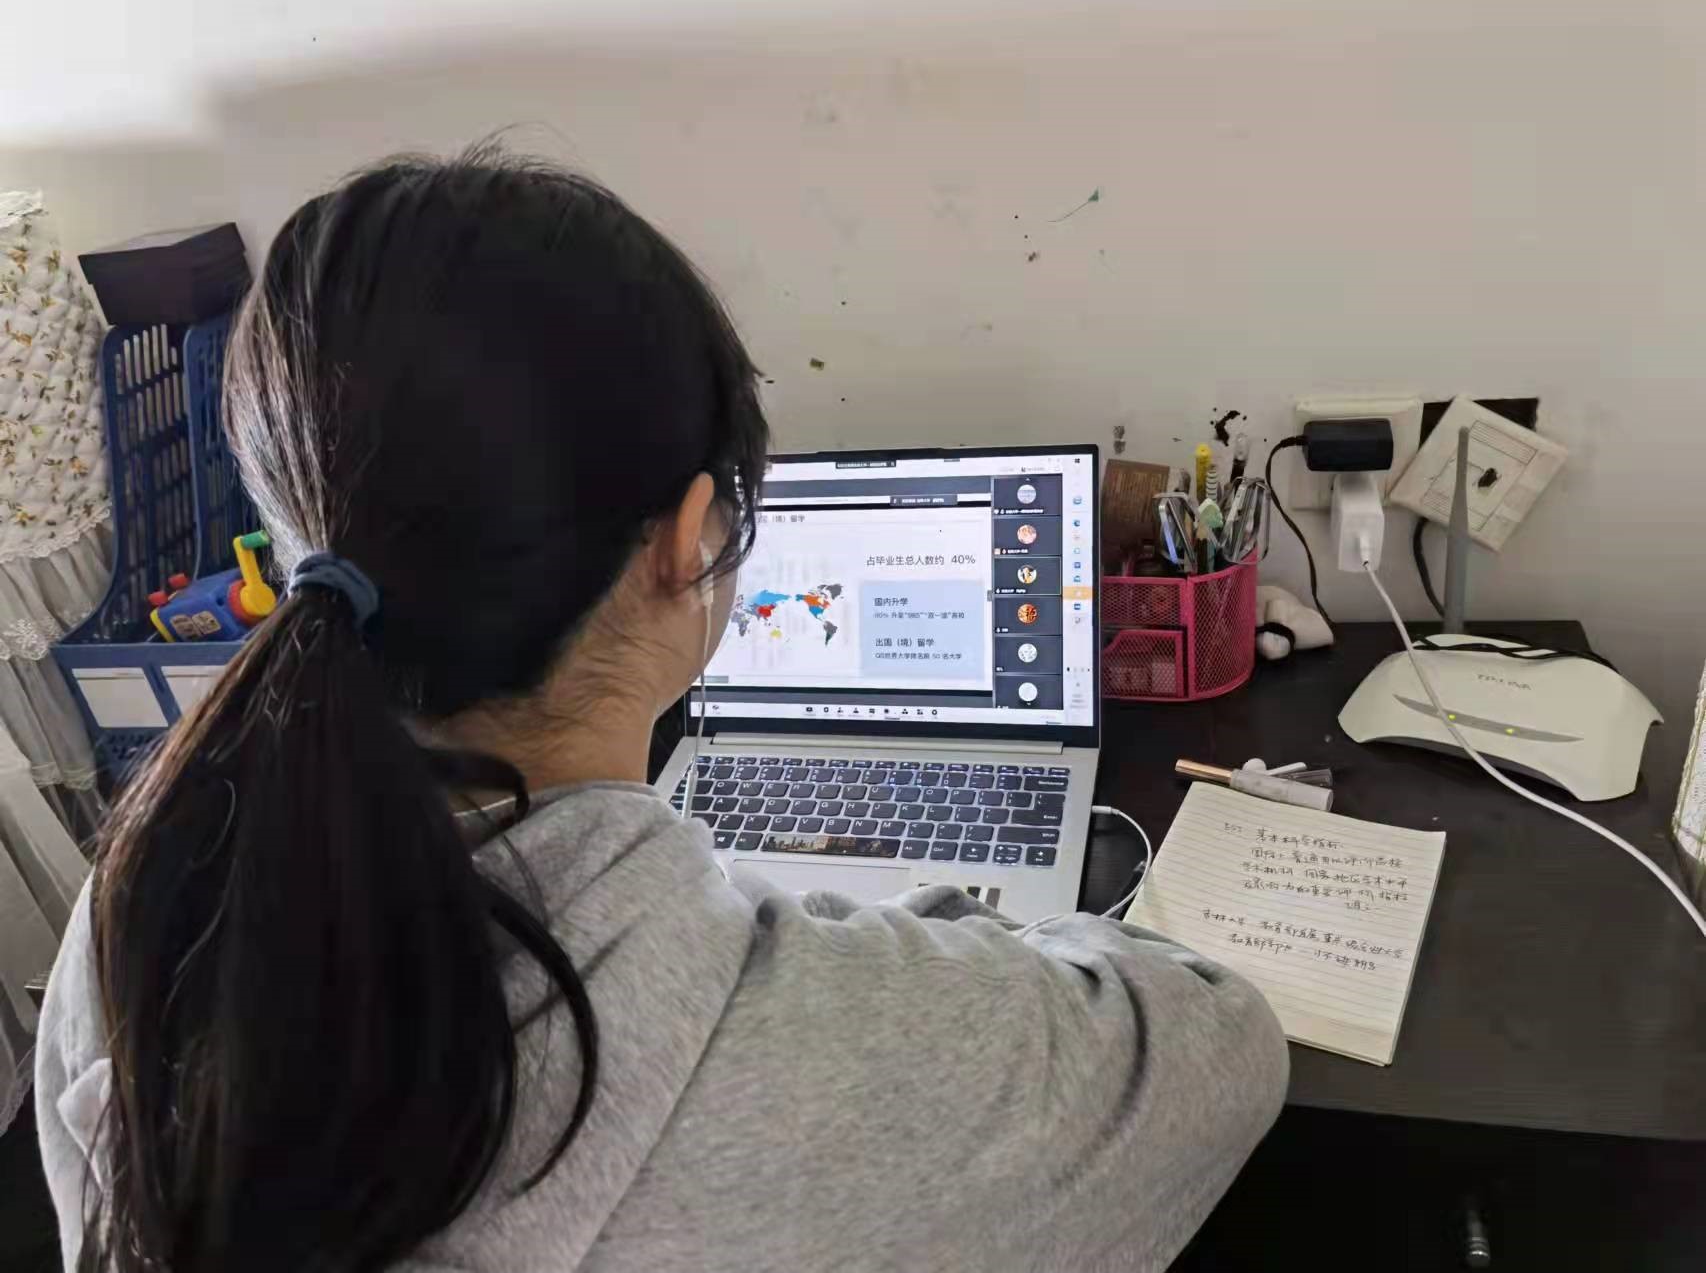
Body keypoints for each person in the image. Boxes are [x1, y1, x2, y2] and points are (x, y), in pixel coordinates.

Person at [34, 148, 1288, 1273]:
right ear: (690, 542)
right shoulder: (817, 1047)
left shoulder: (142, 895)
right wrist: (895, 929)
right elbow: (1219, 1045)